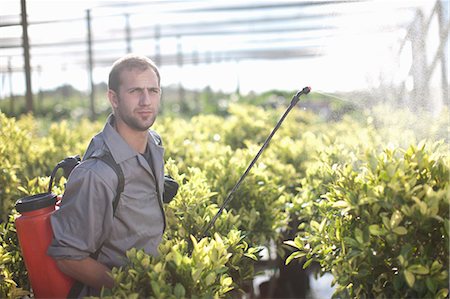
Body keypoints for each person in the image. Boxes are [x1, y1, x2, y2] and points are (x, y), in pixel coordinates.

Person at [48, 54, 166, 296]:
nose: (146, 100)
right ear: (113, 98)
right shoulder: (97, 174)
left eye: (152, 91)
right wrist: (132, 289)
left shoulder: (153, 143)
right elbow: (68, 257)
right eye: (135, 91)